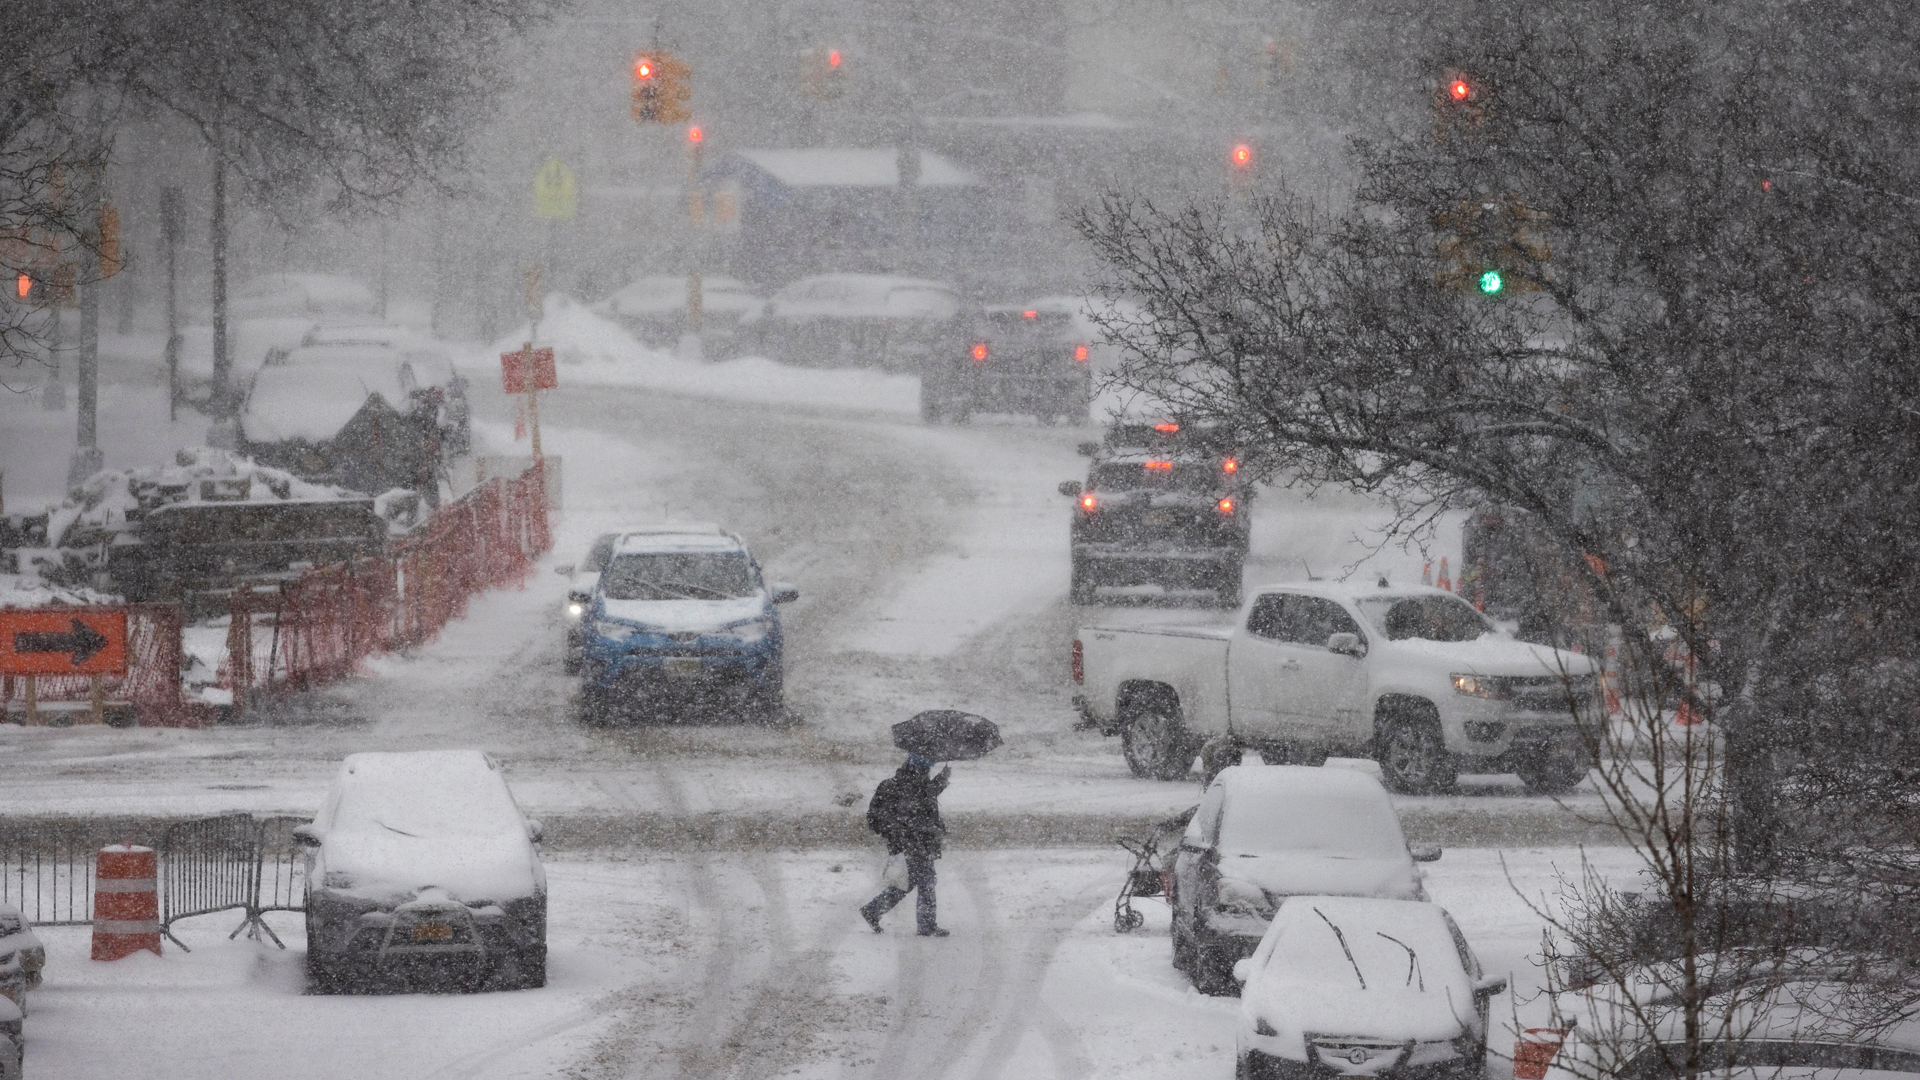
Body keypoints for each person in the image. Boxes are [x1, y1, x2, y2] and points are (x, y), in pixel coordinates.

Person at [860, 753, 951, 937]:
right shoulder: (911, 787)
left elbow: (926, 796)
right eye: (926, 769)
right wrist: (902, 836)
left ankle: (873, 910)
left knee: (908, 882)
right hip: (914, 842)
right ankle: (926, 925)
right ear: (919, 769)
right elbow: (919, 804)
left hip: (911, 842)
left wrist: (942, 778)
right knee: (926, 881)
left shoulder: (898, 784)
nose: (926, 773)